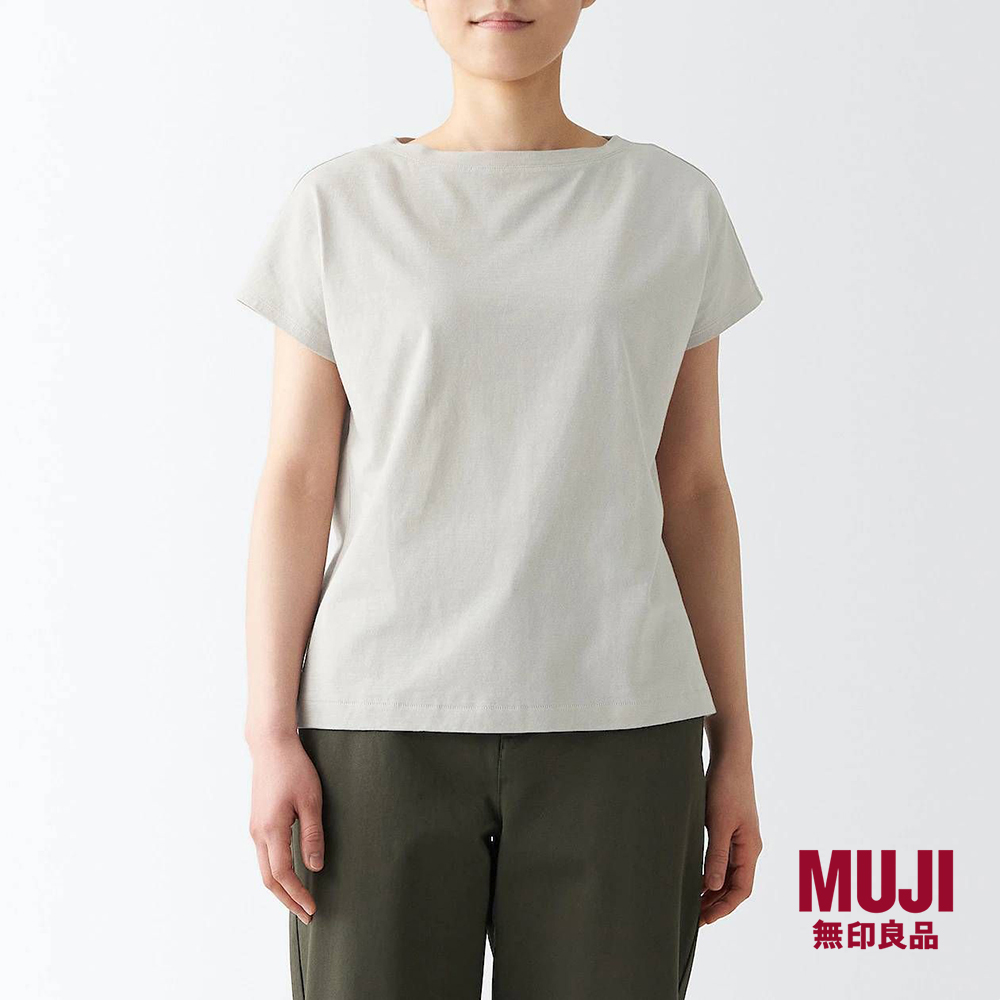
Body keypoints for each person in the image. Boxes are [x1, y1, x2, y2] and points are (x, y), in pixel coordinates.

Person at [237, 2, 763, 997]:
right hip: (376, 727)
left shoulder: (670, 204)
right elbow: (296, 477)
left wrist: (733, 745)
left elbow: (694, 487)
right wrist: (269, 732)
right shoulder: (339, 206)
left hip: (623, 722)